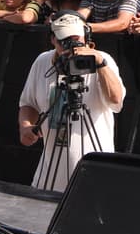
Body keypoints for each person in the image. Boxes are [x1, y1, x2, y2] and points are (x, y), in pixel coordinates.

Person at [17, 12, 125, 192]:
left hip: (95, 170)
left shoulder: (103, 60)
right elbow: (28, 103)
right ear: (53, 39)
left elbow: (116, 101)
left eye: (77, 40)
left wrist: (100, 63)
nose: (72, 47)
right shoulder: (42, 61)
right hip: (50, 171)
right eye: (65, 41)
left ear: (86, 37)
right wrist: (26, 126)